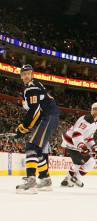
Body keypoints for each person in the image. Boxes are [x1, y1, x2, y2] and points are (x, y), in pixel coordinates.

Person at [15, 65, 60, 193]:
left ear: (32, 74)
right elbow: (36, 109)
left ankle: (31, 182)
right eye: (23, 74)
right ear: (21, 76)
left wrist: (23, 127)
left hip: (48, 117)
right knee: (38, 150)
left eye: (28, 73)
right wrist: (25, 127)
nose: (26, 76)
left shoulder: (31, 87)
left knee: (31, 147)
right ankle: (45, 180)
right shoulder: (36, 85)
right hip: (49, 117)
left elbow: (34, 110)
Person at [60, 102, 97, 188]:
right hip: (72, 142)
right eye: (94, 109)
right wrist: (82, 147)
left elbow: (89, 138)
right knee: (91, 162)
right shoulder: (87, 119)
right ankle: (76, 178)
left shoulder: (95, 123)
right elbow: (76, 134)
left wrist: (94, 147)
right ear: (91, 110)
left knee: (77, 163)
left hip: (72, 142)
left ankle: (67, 180)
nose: (96, 111)